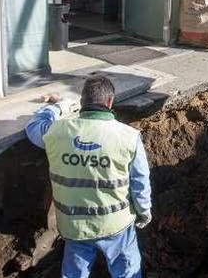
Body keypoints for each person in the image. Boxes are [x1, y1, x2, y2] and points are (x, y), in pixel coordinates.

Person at [26, 76, 152, 278]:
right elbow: (140, 182)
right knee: (127, 272)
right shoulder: (128, 137)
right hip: (117, 226)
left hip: (74, 227)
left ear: (82, 102)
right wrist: (144, 212)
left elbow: (33, 127)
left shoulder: (55, 132)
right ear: (110, 102)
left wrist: (57, 107)